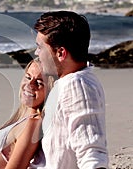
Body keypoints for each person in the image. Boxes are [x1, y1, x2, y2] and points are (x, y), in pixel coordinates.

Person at [29, 11, 108, 169]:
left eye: (39, 47)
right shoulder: (70, 82)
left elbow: (92, 152)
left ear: (60, 53)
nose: (36, 53)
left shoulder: (77, 85)